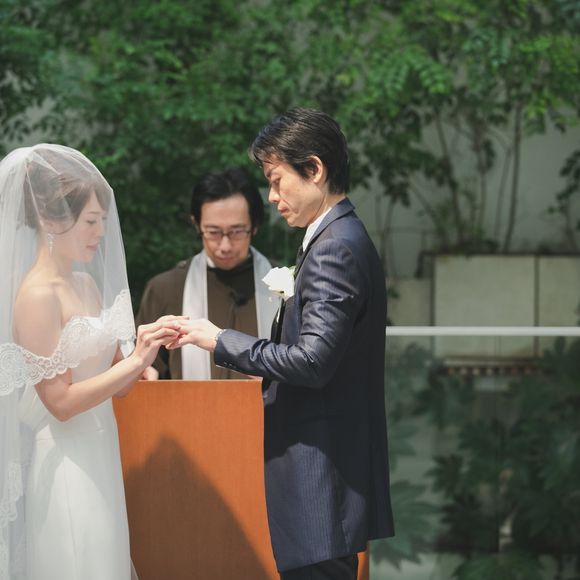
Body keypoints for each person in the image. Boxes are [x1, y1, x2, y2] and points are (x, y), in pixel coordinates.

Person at [170, 108, 395, 579]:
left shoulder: (334, 247)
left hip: (321, 473)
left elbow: (312, 361)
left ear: (314, 169)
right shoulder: (336, 237)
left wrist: (219, 340)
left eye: (276, 181)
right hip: (327, 470)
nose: (272, 197)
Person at [0, 144, 182, 580]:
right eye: (90, 221)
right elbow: (60, 404)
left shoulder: (85, 284)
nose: (100, 232)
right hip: (65, 460)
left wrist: (146, 348)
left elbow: (120, 382)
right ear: (50, 222)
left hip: (101, 450)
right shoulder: (36, 296)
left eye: (102, 220)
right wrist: (134, 361)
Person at [136, 167, 278, 379]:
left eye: (237, 231)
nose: (225, 246)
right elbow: (148, 369)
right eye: (213, 232)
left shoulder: (283, 284)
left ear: (255, 225)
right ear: (196, 224)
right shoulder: (166, 289)